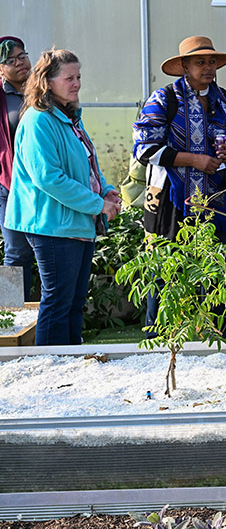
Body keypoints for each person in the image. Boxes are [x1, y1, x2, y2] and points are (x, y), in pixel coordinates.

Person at [133, 36, 226, 332]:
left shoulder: (223, 99)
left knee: (219, 268)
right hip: (171, 202)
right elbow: (144, 149)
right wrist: (193, 160)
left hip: (219, 200)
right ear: (184, 66)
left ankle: (218, 335)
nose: (208, 68)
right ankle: (159, 335)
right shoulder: (164, 99)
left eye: (212, 62)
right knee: (165, 268)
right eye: (201, 62)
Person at [6, 49, 121, 345]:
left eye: (78, 76)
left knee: (73, 301)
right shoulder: (38, 120)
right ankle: (50, 369)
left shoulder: (70, 118)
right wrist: (98, 204)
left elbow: (86, 164)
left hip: (75, 222)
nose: (77, 83)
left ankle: (70, 365)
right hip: (52, 224)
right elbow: (48, 178)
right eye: (69, 77)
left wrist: (105, 189)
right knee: (57, 302)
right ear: (48, 81)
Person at [0, 36, 34, 300]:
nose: (19, 63)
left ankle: (46, 319)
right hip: (10, 186)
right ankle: (12, 317)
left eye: (22, 56)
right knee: (16, 252)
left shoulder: (44, 90)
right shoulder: (3, 97)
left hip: (44, 183)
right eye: (9, 61)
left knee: (47, 251)